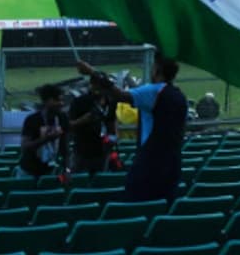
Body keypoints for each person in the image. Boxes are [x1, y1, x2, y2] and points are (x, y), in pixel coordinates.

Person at [77, 57, 186, 202]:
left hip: (150, 164)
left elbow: (119, 94)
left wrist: (92, 72)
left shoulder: (153, 92)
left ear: (157, 70)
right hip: (172, 163)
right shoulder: (180, 96)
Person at [19, 84, 70, 179]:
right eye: (58, 100)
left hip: (52, 171)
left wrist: (67, 169)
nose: (61, 103)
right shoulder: (32, 120)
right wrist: (46, 139)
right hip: (29, 171)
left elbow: (65, 148)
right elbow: (25, 147)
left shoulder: (63, 118)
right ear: (48, 101)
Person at [69, 77, 117, 175]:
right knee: (79, 179)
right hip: (83, 150)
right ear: (91, 85)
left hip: (104, 149)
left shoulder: (111, 102)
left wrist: (114, 137)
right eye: (96, 84)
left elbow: (112, 121)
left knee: (101, 179)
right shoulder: (80, 102)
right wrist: (83, 120)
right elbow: (69, 125)